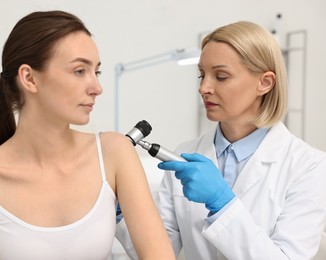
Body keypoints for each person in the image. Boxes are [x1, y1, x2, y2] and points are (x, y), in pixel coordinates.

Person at [0, 10, 175, 260]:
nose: (97, 88)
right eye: (79, 71)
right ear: (29, 78)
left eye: (96, 72)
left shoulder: (114, 152)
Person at [116, 21, 326, 259]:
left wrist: (222, 204)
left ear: (265, 83)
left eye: (221, 76)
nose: (204, 88)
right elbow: (161, 251)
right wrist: (122, 214)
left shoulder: (310, 166)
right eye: (202, 75)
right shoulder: (185, 152)